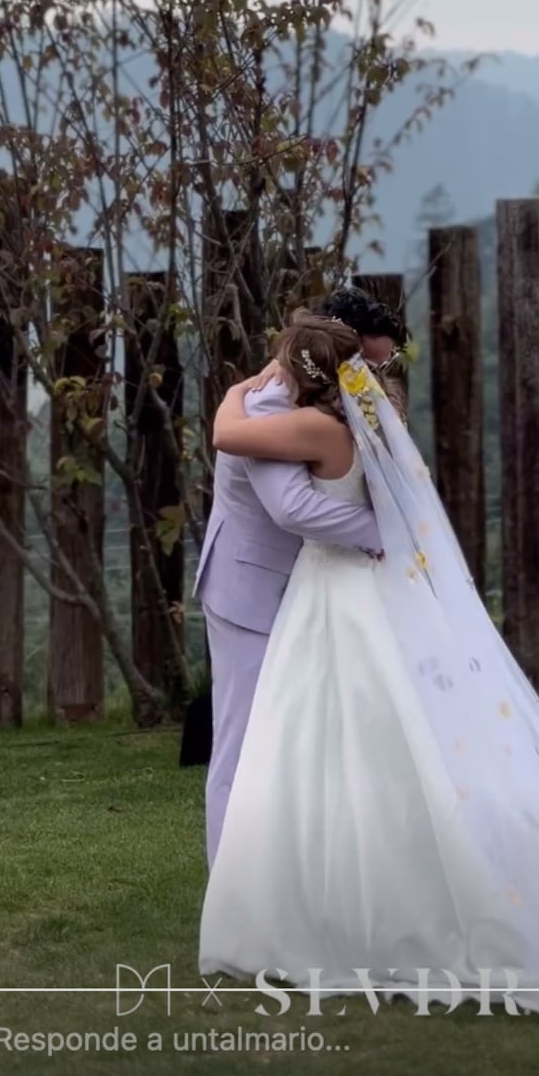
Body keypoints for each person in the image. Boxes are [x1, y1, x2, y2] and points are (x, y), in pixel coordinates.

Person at [199, 316, 539, 1029]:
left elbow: (281, 493)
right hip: (342, 594)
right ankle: (339, 885)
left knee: (299, 745)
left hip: (333, 589)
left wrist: (236, 397)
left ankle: (284, 900)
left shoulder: (311, 430)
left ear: (305, 375)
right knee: (356, 745)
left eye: (284, 364)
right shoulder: (370, 427)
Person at [194, 288, 406, 868]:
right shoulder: (269, 406)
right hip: (252, 588)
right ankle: (230, 885)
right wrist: (387, 531)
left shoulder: (317, 404)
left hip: (313, 589)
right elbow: (293, 509)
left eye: (384, 366)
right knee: (242, 743)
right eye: (371, 362)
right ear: (337, 346)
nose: (376, 377)